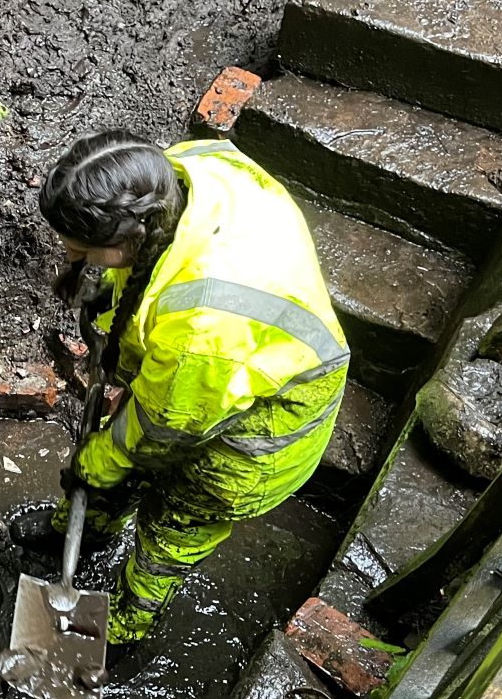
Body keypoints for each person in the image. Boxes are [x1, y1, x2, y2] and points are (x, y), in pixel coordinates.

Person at [26, 131, 349, 646]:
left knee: (172, 524)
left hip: (265, 426)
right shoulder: (175, 173)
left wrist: (101, 459)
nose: (71, 256)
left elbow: (161, 427)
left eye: (81, 249)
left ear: (124, 239)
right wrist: (107, 282)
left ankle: (128, 621)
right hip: (220, 371)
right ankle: (87, 530)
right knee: (115, 457)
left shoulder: (202, 324)